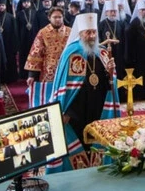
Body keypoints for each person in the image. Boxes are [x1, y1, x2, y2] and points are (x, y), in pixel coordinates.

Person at [48, 13, 119, 173]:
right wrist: (65, 111)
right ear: (80, 33)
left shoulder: (101, 53)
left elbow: (109, 85)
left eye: (94, 32)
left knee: (97, 138)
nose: (92, 36)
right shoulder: (71, 53)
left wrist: (110, 74)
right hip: (76, 110)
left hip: (98, 106)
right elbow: (64, 86)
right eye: (88, 32)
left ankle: (97, 168)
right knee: (80, 140)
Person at [25, 6, 71, 107]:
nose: (58, 19)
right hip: (47, 72)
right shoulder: (43, 32)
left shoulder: (70, 32)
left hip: (65, 70)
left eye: (60, 17)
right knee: (47, 98)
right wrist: (31, 75)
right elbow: (35, 53)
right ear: (49, 18)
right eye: (55, 17)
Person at [98, 0, 127, 81]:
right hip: (106, 55)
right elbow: (99, 40)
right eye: (111, 11)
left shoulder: (120, 24)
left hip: (119, 55)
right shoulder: (102, 24)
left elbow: (124, 40)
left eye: (115, 11)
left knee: (119, 75)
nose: (113, 13)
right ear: (106, 12)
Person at [0, 0, 18, 83]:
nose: (1, 7)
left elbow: (15, 32)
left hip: (9, 43)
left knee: (10, 60)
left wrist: (15, 46)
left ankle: (10, 78)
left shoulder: (11, 17)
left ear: (6, 6)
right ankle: (0, 78)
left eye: (3, 5)